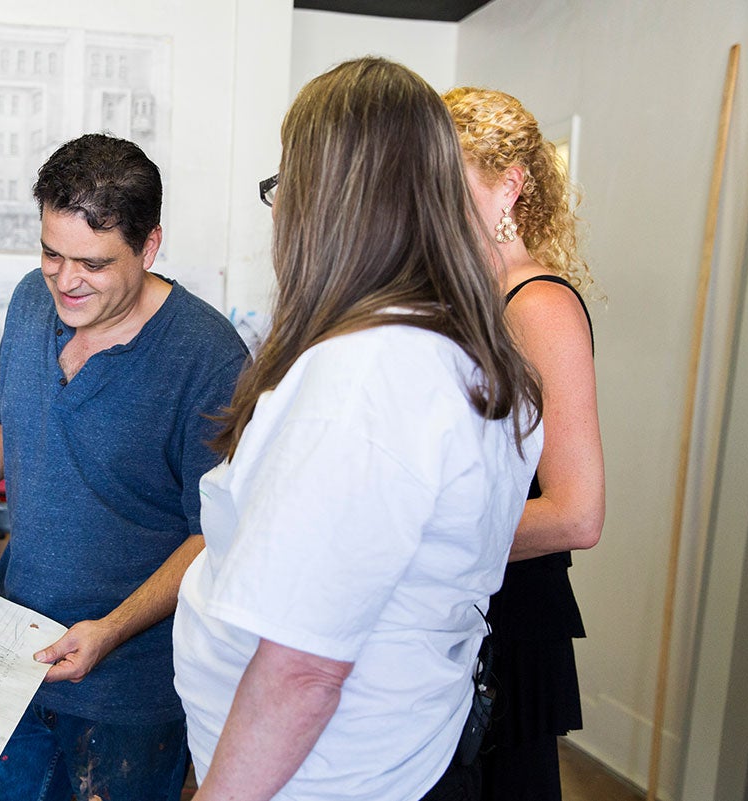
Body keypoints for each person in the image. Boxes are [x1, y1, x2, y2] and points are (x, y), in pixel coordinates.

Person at [172, 57, 545, 801]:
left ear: (329, 204)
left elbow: (304, 670)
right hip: (398, 752)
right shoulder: (457, 352)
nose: (278, 214)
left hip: (322, 776)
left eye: (285, 188)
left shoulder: (370, 375)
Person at [0, 133, 249, 801]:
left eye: (93, 264)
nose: (65, 280)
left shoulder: (207, 356)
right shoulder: (29, 300)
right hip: (9, 651)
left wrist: (111, 629)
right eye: (51, 253)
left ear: (149, 246)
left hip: (130, 692)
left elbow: (213, 535)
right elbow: (2, 427)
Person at [443, 87, 605, 801]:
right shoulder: (475, 299)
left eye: (449, 184)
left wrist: (427, 537)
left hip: (513, 623)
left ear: (508, 187)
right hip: (469, 611)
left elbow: (577, 512)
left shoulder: (538, 305)